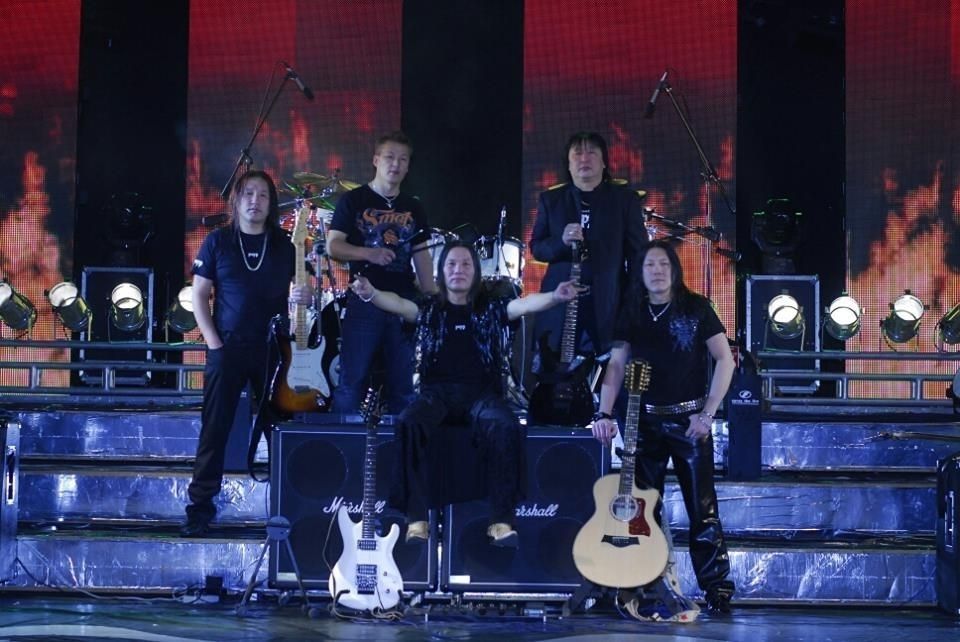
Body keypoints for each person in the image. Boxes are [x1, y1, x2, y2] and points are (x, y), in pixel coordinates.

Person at [351, 241, 583, 547]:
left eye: (465, 265)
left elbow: (525, 305)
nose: (458, 270)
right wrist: (371, 293)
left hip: (481, 395)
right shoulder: (428, 309)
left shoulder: (492, 308)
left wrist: (555, 296)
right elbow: (396, 303)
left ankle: (501, 522)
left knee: (505, 425)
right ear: (441, 271)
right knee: (408, 421)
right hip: (436, 394)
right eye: (451, 264)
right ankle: (417, 520)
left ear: (475, 272)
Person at [591, 239, 736, 615]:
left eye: (663, 264)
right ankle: (647, 583)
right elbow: (616, 365)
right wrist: (604, 413)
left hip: (689, 422)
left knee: (702, 511)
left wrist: (708, 413)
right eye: (649, 265)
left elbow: (725, 359)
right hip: (643, 420)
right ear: (640, 273)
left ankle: (717, 589)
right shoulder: (633, 311)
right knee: (643, 510)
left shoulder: (696, 307)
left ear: (674, 270)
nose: (657, 271)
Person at [181, 170, 313, 537]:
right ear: (237, 200)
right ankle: (200, 509)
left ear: (271, 204)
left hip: (273, 350)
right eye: (249, 194)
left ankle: (291, 507)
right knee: (215, 429)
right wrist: (214, 343)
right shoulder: (218, 241)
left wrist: (304, 296)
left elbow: (303, 294)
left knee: (279, 429)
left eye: (263, 195)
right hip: (227, 348)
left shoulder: (286, 245)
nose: (255, 201)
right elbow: (199, 295)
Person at [327, 131, 436, 414]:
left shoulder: (414, 207)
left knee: (404, 386)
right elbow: (333, 246)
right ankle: (344, 441)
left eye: (403, 159)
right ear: (376, 160)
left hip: (404, 301)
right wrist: (368, 253)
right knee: (352, 383)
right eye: (389, 157)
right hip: (365, 299)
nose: (395, 164)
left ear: (408, 166)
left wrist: (432, 297)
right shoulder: (354, 200)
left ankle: (403, 441)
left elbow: (422, 254)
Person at [530, 131, 648, 370]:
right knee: (555, 373)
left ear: (604, 162)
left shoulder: (624, 200)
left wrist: (632, 300)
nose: (584, 158)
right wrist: (561, 242)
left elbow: (639, 254)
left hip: (607, 303)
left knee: (608, 373)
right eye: (577, 153)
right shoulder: (551, 200)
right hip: (560, 304)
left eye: (592, 152)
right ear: (568, 164)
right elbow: (537, 248)